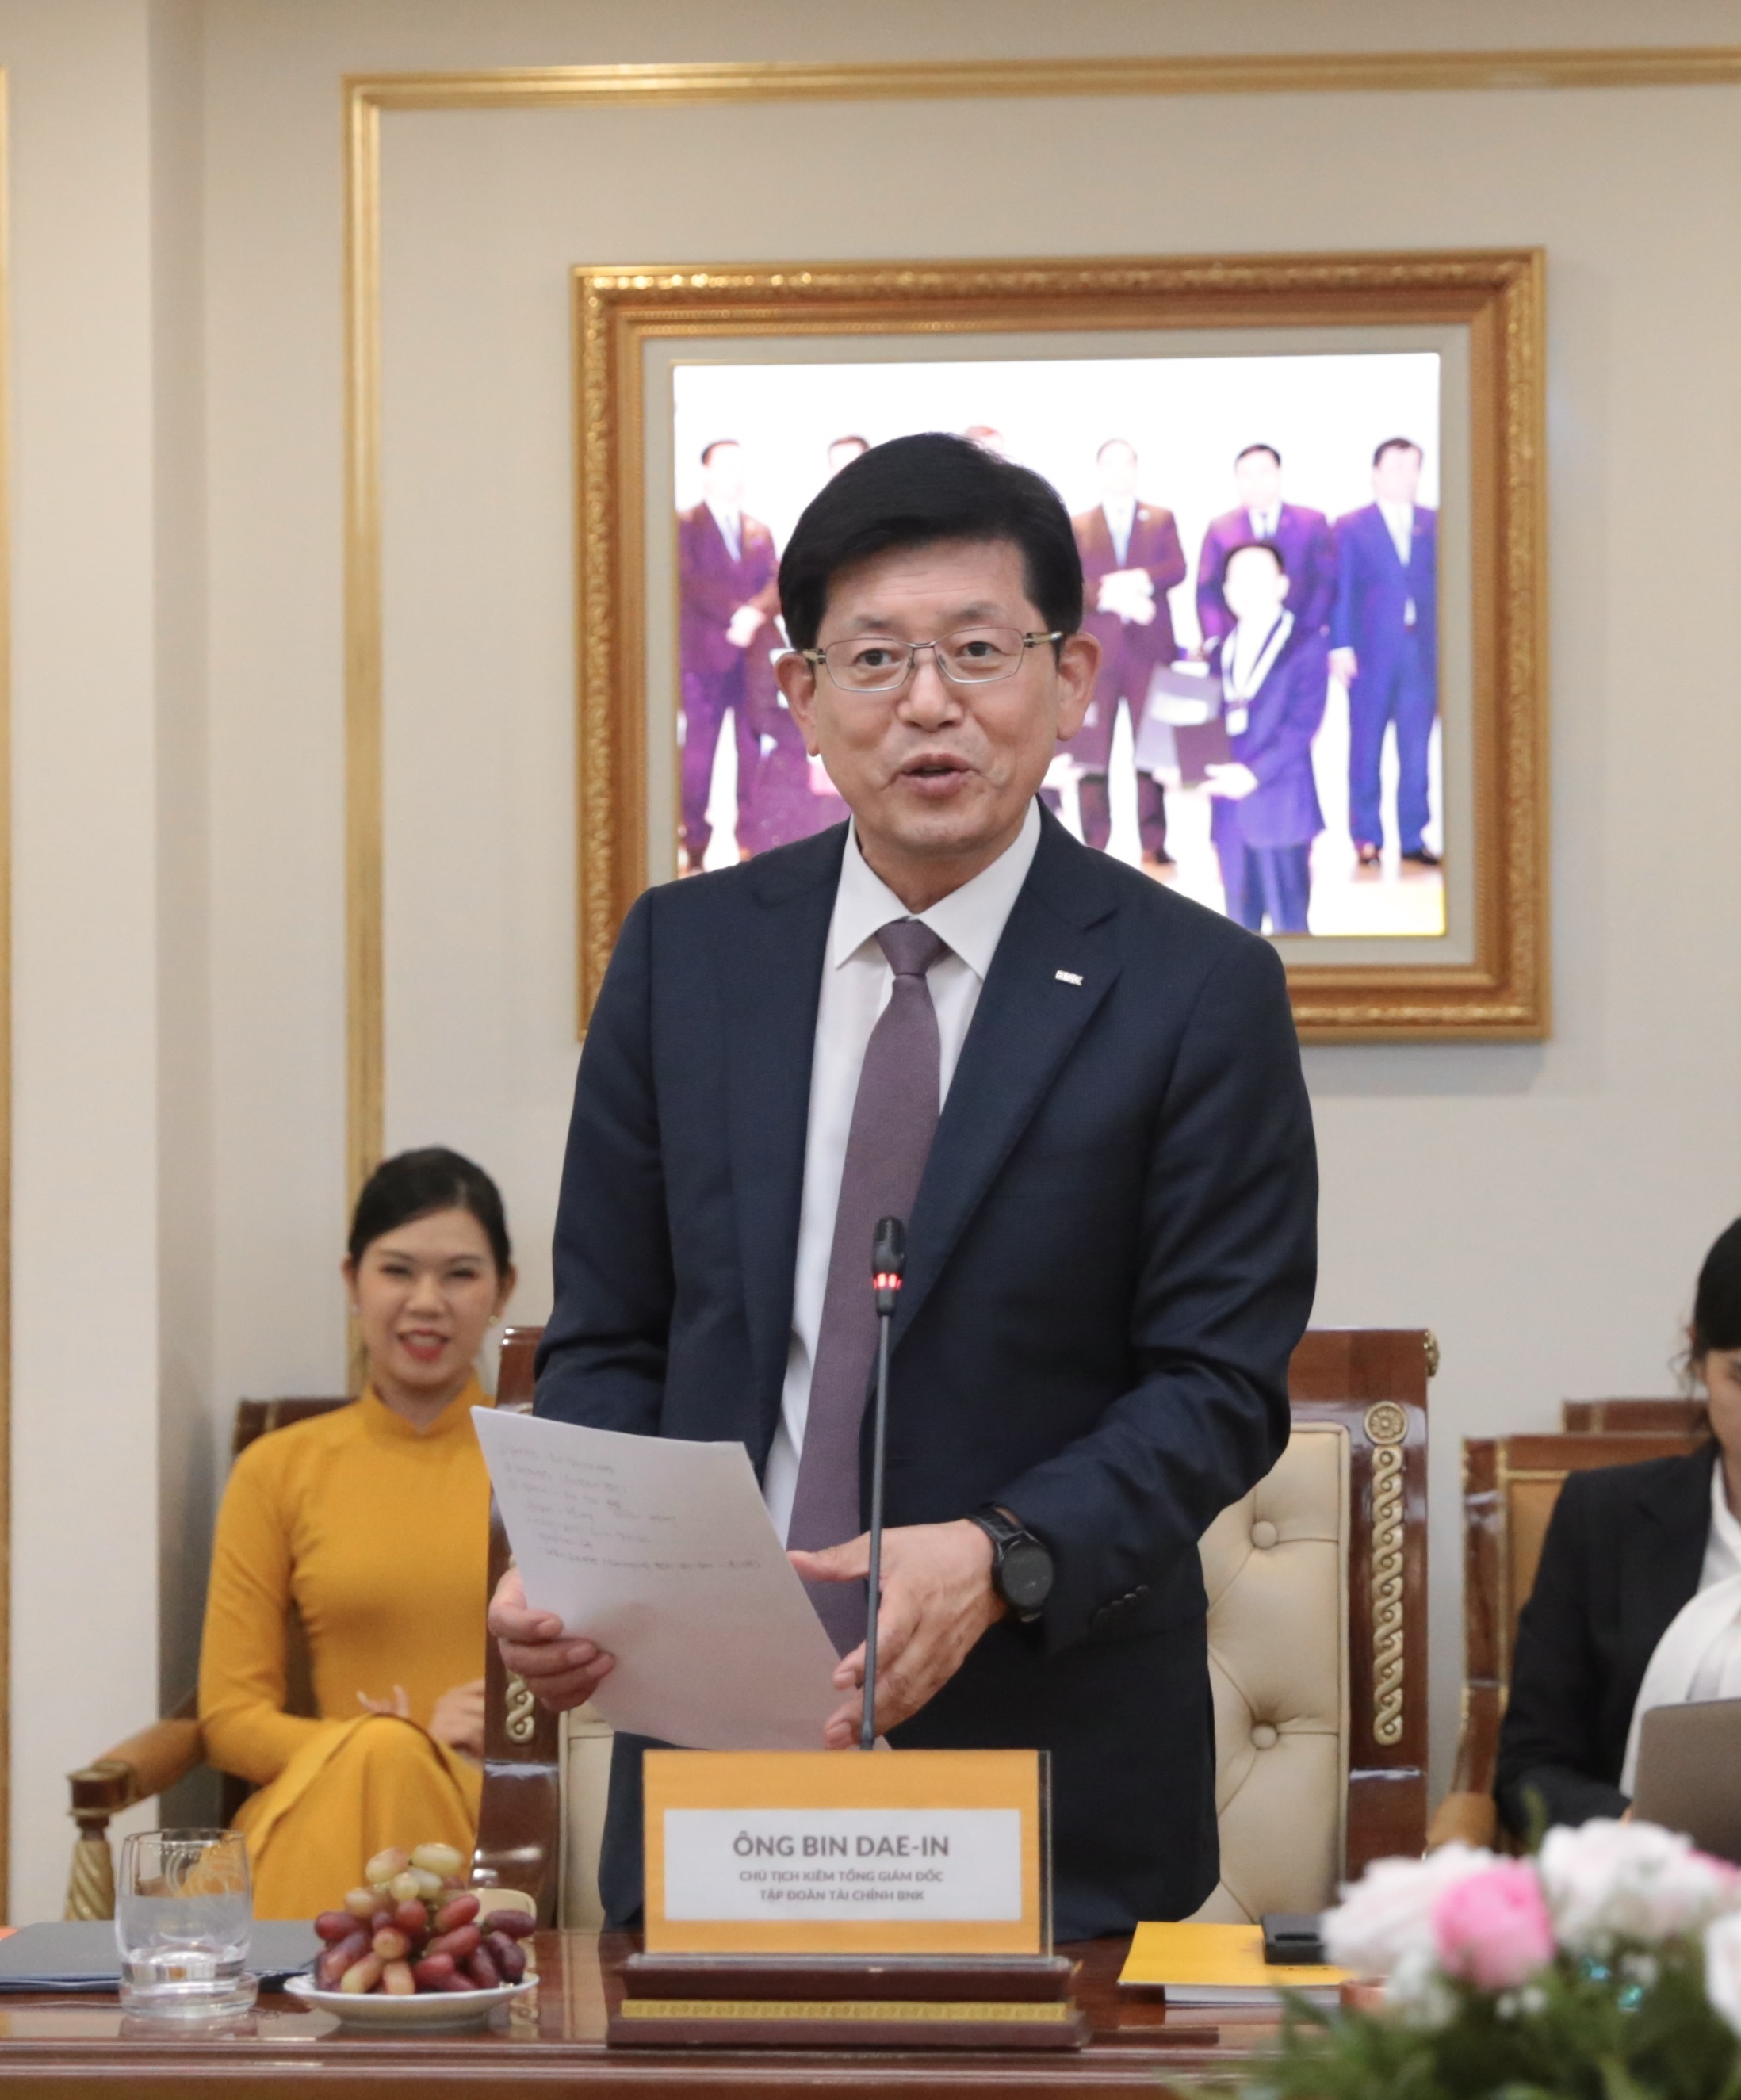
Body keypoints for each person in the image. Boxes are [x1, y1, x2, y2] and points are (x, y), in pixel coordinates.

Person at [489, 431, 1318, 1942]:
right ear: (800, 696)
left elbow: (1214, 1384)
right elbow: (612, 1331)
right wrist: (581, 1565)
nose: (928, 702)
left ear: (1071, 680)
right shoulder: (686, 958)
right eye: (873, 657)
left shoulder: (1197, 989)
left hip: (1054, 1769)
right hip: (718, 1761)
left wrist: (998, 1554)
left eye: (978, 650)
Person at [199, 1148, 516, 1918]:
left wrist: (443, 1749)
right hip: (321, 1802)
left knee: (390, 1757)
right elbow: (229, 1720)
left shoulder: (544, 1462)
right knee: (382, 1753)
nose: (427, 1302)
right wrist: (391, 1740)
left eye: (460, 1274)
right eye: (398, 1271)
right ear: (353, 1281)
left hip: (492, 1820)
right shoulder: (277, 1468)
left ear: (503, 1289)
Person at [1496, 1220, 1741, 1836]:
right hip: (1651, 1876)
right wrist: (1627, 1828)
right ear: (1698, 1356)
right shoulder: (1604, 1518)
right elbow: (1530, 1767)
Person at [1061, 438, 1187, 870]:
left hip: (1149, 654)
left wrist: (1139, 580)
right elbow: (1067, 582)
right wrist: (1109, 595)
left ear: (1137, 469)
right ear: (1099, 471)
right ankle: (1094, 843)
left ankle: (1155, 842)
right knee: (1091, 752)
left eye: (1126, 463)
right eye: (1110, 464)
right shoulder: (1078, 524)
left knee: (1152, 750)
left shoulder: (1161, 518)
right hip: (1096, 655)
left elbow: (1177, 568)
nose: (1119, 471)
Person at [1204, 541, 1328, 937]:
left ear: (1281, 585)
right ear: (1225, 590)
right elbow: (1208, 726)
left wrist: (1253, 774)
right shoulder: (1219, 651)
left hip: (1282, 807)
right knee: (1237, 939)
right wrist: (1183, 764)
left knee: (1292, 934)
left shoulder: (1306, 643)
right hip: (1229, 813)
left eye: (1257, 576)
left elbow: (1302, 726)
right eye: (1236, 578)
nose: (1246, 586)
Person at [1330, 438, 1440, 872]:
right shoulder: (1352, 526)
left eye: (1414, 467)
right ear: (1376, 473)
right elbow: (1341, 590)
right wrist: (1340, 646)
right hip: (1370, 656)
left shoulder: (1434, 522)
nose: (1407, 476)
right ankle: (1367, 838)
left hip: (1421, 657)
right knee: (1365, 751)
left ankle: (1413, 838)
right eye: (1397, 467)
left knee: (1416, 754)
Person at [677, 439, 780, 870]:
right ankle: (693, 845)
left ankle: (749, 844)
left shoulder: (758, 530)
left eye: (740, 467)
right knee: (698, 755)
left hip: (752, 659)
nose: (735, 476)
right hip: (703, 658)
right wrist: (735, 614)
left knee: (752, 750)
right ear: (704, 472)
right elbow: (689, 581)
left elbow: (777, 582)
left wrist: (753, 615)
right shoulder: (684, 524)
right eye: (725, 467)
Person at [1196, 444, 1337, 649]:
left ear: (1279, 474)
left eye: (1263, 472)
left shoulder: (1312, 523)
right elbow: (1208, 590)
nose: (1255, 482)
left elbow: (1324, 583)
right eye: (1245, 474)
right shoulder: (1221, 529)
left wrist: (1309, 632)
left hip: (1299, 642)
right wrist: (1215, 640)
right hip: (1238, 644)